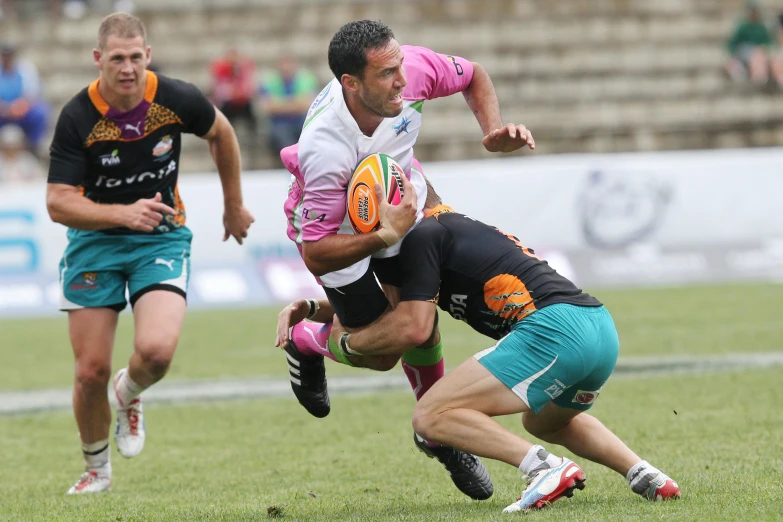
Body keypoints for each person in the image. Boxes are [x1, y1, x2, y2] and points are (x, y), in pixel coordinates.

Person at [279, 182, 681, 513]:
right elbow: (391, 309)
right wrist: (314, 308)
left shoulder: (423, 237)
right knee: (545, 422)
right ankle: (643, 473)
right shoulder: (443, 229)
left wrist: (341, 343)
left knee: (431, 416)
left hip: (555, 332)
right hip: (597, 327)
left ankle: (543, 468)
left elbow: (413, 327)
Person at [278, 19, 535, 500]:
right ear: (350, 83)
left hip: (402, 201)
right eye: (385, 75)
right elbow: (315, 253)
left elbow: (474, 73)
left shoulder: (410, 69)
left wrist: (492, 131)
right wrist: (380, 236)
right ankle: (308, 340)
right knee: (382, 353)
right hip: (335, 227)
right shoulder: (325, 148)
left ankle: (436, 429)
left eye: (400, 67)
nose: (402, 81)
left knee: (418, 324)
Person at [46, 13, 254, 495]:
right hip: (94, 242)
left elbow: (222, 133)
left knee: (157, 353)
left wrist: (234, 205)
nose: (127, 68)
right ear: (98, 59)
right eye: (116, 58)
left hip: (160, 235)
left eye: (135, 57)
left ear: (148, 56)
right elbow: (58, 202)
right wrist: (122, 213)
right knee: (89, 370)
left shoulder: (175, 98)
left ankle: (130, 393)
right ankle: (96, 470)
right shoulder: (79, 116)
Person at [258, 55, 318, 157]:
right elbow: (267, 106)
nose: (286, 68)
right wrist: (295, 104)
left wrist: (280, 105)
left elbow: (308, 104)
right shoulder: (270, 81)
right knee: (283, 138)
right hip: (279, 124)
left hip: (302, 122)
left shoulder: (305, 79)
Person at [0, 43, 49, 152]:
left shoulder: (25, 69)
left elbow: (32, 95)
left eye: (9, 55)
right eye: (4, 55)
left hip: (21, 111)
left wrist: (17, 108)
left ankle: (33, 146)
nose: (7, 58)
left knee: (40, 112)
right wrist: (4, 109)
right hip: (2, 112)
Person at [725, 1, 783, 87]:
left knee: (762, 57)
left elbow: (768, 42)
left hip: (760, 53)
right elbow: (732, 44)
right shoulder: (743, 26)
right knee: (756, 57)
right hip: (745, 52)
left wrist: (764, 49)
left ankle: (763, 77)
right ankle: (757, 77)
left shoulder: (762, 27)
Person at [208, 48, 257, 134]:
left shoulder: (243, 71)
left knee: (251, 113)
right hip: (228, 103)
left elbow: (249, 89)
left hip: (242, 102)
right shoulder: (222, 71)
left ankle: (253, 137)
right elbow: (219, 91)